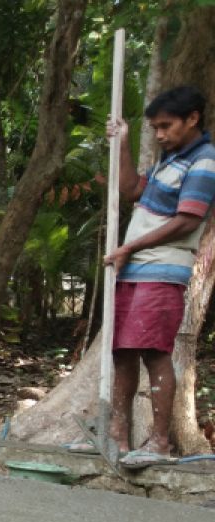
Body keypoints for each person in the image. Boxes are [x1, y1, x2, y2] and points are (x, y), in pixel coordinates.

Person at [103, 86, 215, 467]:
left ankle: (160, 441)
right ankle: (117, 435)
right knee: (122, 351)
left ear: (193, 119)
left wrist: (129, 247)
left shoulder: (204, 161)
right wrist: (123, 142)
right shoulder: (169, 160)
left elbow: (188, 220)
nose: (161, 134)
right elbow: (132, 189)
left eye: (166, 126)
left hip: (163, 270)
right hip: (135, 269)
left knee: (153, 351)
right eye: (155, 128)